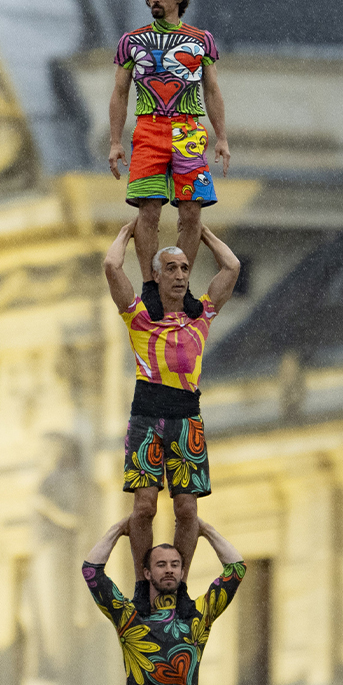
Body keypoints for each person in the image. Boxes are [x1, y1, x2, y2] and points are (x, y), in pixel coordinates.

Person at [102, 219, 240, 585]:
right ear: (156, 276)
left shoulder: (201, 317)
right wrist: (124, 233)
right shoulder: (140, 317)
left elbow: (233, 267)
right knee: (144, 506)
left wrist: (205, 233)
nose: (180, 276)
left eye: (184, 269)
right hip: (147, 415)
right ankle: (142, 580)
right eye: (171, 269)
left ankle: (179, 583)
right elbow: (112, 267)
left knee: (186, 509)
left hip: (186, 417)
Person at [108, 0, 230, 282]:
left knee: (191, 212)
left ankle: (178, 281)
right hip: (149, 128)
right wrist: (115, 141)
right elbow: (120, 92)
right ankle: (151, 284)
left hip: (188, 129)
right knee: (148, 210)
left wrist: (222, 137)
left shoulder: (201, 41)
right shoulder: (132, 42)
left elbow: (212, 89)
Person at [82, 514, 245, 685]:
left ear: (182, 573)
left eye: (175, 565)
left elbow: (236, 569)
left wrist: (206, 530)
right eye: (161, 565)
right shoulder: (129, 616)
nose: (169, 570)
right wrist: (119, 528)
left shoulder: (197, 614)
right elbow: (91, 571)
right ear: (147, 573)